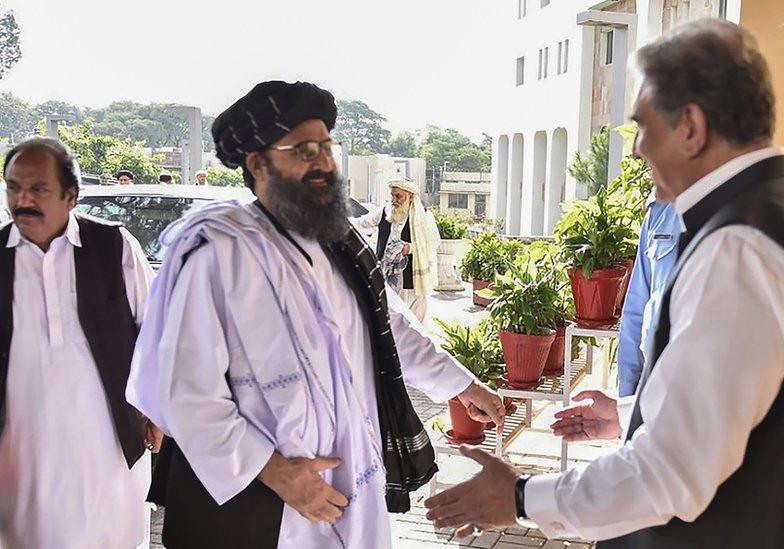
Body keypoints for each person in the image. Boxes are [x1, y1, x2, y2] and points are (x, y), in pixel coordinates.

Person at [425, 19, 784, 548]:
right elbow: (751, 396)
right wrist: (630, 413)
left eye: (643, 125)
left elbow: (670, 472)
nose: (636, 148)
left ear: (691, 126)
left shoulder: (738, 244)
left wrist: (520, 498)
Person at [126, 80, 504, 549]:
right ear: (258, 163)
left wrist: (462, 384)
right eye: (305, 149)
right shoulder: (217, 255)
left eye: (328, 146)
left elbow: (390, 330)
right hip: (258, 503)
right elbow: (185, 389)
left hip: (348, 480)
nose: (324, 162)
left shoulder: (338, 242)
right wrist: (277, 473)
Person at [0, 137, 161, 548]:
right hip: (21, 443)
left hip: (107, 441)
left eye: (38, 189)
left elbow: (155, 333)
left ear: (70, 196)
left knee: (108, 533)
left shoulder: (113, 247)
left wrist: (158, 412)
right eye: (14, 187)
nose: (23, 199)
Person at [616, 195, 681, 397]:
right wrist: (627, 393)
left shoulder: (735, 213)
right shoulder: (660, 210)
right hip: (653, 378)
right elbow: (637, 304)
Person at [351, 179, 439, 322]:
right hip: (385, 275)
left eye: (398, 196)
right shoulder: (384, 212)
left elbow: (432, 243)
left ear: (410, 197)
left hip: (411, 279)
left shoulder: (423, 217)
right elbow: (362, 223)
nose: (394, 200)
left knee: (415, 322)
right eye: (392, 195)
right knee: (390, 318)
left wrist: (409, 248)